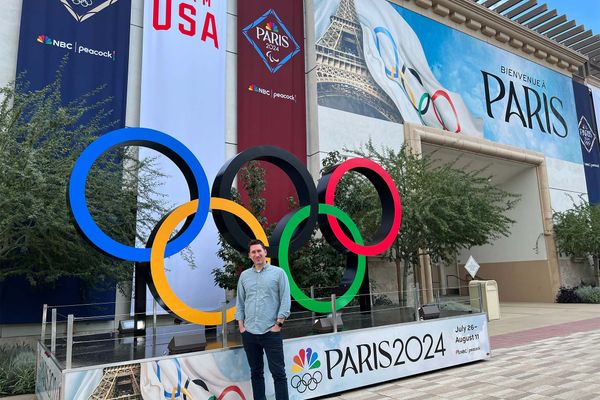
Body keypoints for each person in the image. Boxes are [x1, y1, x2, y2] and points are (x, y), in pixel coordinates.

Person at [235, 239, 291, 400]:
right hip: (249, 333)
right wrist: (241, 326)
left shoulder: (278, 273)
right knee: (256, 373)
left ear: (265, 252)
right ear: (249, 256)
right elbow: (240, 301)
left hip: (271, 332)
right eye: (253, 252)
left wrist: (278, 324)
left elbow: (285, 299)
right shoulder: (245, 276)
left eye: (259, 251)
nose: (257, 254)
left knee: (279, 374)